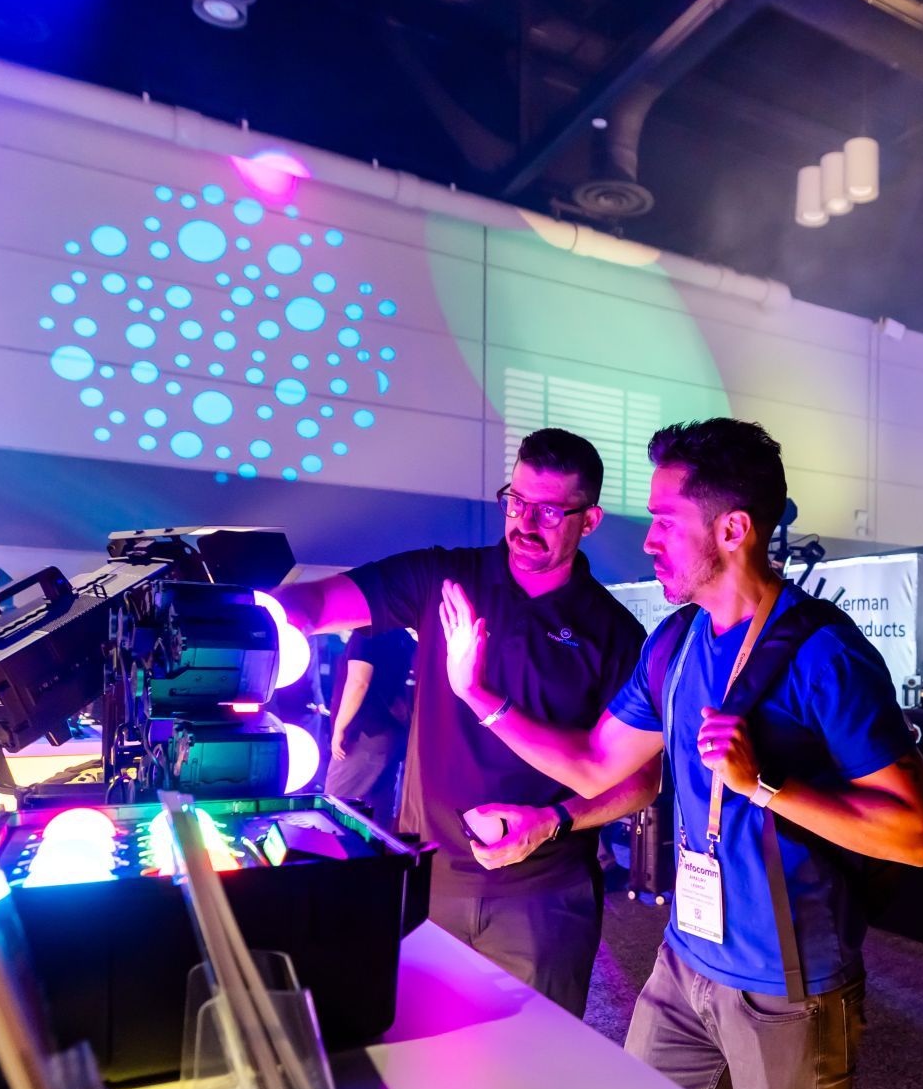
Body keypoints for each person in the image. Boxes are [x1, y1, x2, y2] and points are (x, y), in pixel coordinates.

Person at [439, 417, 923, 1089]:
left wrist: (765, 784)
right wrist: (478, 695)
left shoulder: (827, 655)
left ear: (733, 528)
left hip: (788, 987)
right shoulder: (674, 643)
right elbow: (597, 761)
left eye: (665, 521)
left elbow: (914, 834)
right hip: (682, 964)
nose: (646, 541)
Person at [273, 428, 659, 1016]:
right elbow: (318, 606)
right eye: (516, 502)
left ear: (590, 519)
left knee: (535, 1079)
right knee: (420, 1067)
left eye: (550, 511)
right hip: (427, 880)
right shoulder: (443, 579)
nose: (525, 524)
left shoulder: (614, 635)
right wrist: (260, 618)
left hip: (543, 900)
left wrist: (552, 821)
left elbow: (639, 783)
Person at [324, 627, 415, 828]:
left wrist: (339, 727)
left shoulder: (367, 633)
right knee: (379, 818)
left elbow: (359, 682)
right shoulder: (402, 637)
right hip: (391, 736)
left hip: (364, 734)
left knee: (334, 810)